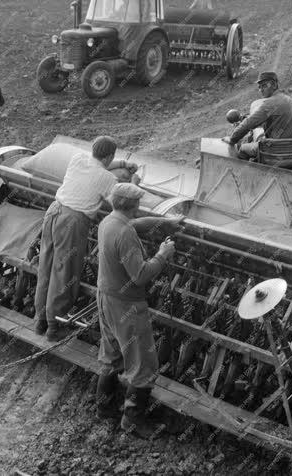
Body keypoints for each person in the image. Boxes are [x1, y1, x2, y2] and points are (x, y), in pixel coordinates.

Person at [95, 182, 183, 438]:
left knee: (112, 355)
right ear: (133, 205)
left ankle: (105, 407)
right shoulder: (124, 234)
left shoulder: (108, 222)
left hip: (106, 299)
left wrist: (164, 222)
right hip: (127, 306)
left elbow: (132, 224)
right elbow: (141, 275)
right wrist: (163, 254)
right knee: (144, 365)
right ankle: (132, 421)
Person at [34, 136, 139, 342]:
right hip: (72, 222)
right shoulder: (108, 180)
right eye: (112, 159)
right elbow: (122, 203)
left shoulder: (78, 159)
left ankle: (40, 321)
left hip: (53, 212)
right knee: (64, 272)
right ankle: (54, 327)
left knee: (46, 265)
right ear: (109, 156)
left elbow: (101, 164)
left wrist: (124, 164)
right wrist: (134, 182)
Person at [222, 71, 292, 159]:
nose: (261, 90)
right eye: (259, 87)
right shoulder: (288, 99)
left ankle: (250, 171)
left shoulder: (270, 103)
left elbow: (248, 124)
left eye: (264, 86)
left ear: (274, 85)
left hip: (276, 152)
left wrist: (232, 139)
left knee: (242, 149)